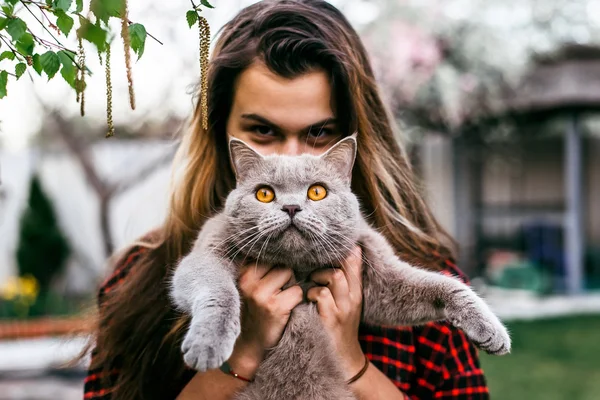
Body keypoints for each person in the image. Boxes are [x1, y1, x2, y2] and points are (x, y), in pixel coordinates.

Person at [83, 1, 489, 399]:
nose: (290, 161)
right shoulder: (140, 275)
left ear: (354, 138)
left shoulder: (430, 279)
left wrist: (352, 365)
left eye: (320, 133)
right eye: (262, 130)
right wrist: (241, 356)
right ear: (220, 131)